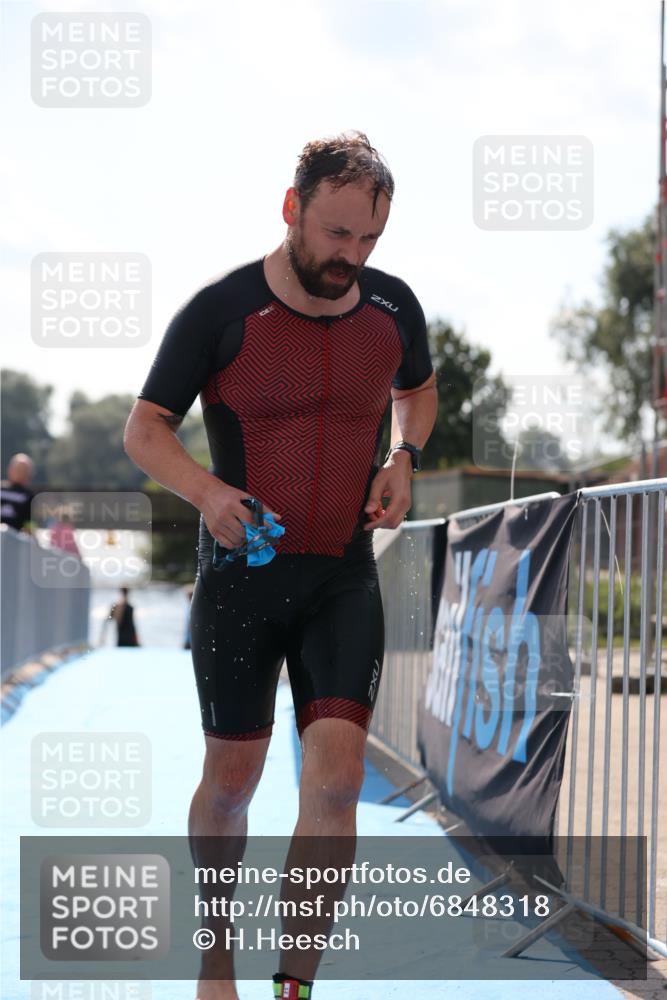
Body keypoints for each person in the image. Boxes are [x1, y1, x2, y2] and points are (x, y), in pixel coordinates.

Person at [124, 130, 438, 1000]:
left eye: (369, 239)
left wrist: (403, 457)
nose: (352, 257)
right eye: (337, 235)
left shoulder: (392, 307)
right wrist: (207, 494)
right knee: (231, 784)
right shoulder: (221, 310)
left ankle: (292, 986)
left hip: (341, 573)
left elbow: (418, 392)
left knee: (335, 784)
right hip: (242, 580)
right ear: (292, 208)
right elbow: (144, 427)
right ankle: (215, 958)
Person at [0, 453, 34, 533]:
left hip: (14, 542)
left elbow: (29, 527)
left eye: (23, 470)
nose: (20, 473)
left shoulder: (29, 497)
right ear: (9, 469)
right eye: (17, 469)